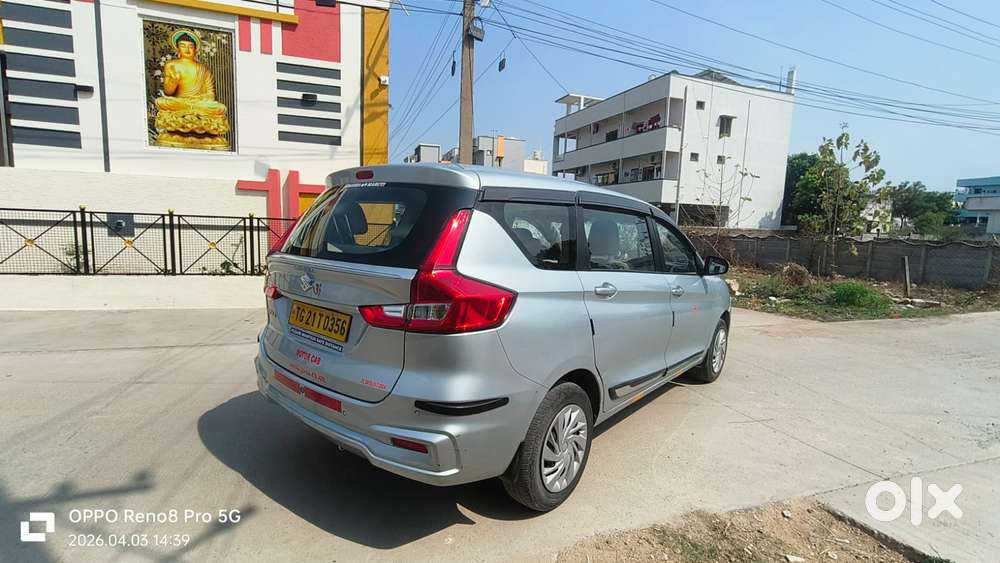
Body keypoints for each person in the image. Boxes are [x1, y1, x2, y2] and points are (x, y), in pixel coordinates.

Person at [153, 29, 229, 150]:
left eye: (190, 46)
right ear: (177, 49)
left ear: (195, 49)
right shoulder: (172, 65)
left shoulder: (203, 68)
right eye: (183, 46)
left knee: (219, 108)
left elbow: (210, 94)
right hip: (180, 103)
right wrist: (173, 81)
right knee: (162, 102)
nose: (187, 49)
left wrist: (200, 98)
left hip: (199, 104)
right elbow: (168, 92)